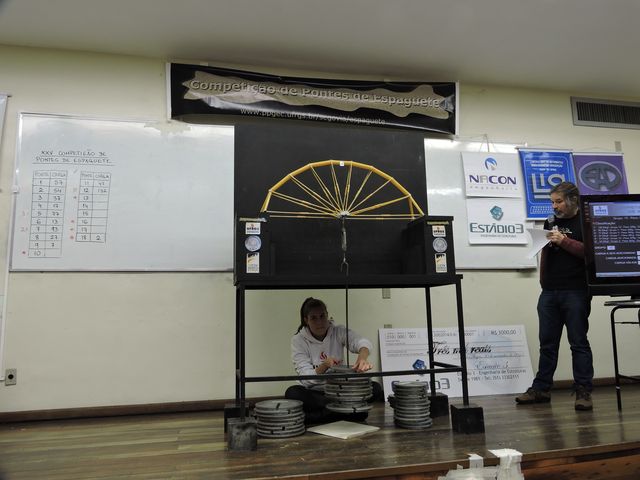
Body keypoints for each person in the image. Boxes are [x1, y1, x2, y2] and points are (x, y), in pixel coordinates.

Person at [516, 181, 594, 411]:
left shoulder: (586, 222)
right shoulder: (550, 222)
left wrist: (564, 240)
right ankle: (541, 389)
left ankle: (583, 391)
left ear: (573, 200)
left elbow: (591, 253)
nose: (555, 206)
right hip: (549, 292)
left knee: (578, 343)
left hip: (576, 291)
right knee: (547, 344)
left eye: (558, 201)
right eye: (552, 202)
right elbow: (546, 253)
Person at [285, 297, 384, 424]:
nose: (319, 322)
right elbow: (305, 378)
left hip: (340, 391)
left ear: (327, 315)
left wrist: (362, 358)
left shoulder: (338, 331)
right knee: (293, 392)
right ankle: (347, 412)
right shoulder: (298, 340)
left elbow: (362, 342)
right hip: (316, 393)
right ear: (306, 320)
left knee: (375, 388)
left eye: (322, 316)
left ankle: (321, 416)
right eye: (313, 318)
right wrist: (324, 366)